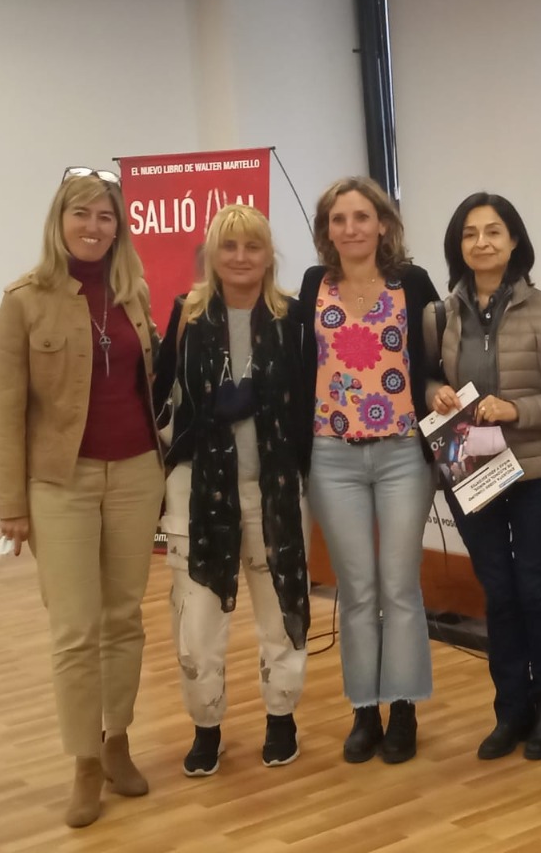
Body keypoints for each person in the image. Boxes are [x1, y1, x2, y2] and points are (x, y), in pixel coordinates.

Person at [0, 167, 165, 827]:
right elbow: (3, 409)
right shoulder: (25, 300)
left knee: (124, 619)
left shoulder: (136, 295)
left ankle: (117, 740)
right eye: (81, 214)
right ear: (59, 221)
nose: (93, 226)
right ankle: (83, 762)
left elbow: (153, 388)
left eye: (106, 216)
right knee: (74, 629)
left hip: (137, 475)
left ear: (120, 228)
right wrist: (12, 504)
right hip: (59, 482)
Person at [425, 192, 541, 762]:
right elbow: (425, 382)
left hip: (536, 473)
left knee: (535, 587)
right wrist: (435, 393)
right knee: (497, 592)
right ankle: (509, 709)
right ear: (458, 246)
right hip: (470, 467)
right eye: (470, 234)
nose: (482, 243)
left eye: (493, 231)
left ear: (514, 240)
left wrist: (514, 410)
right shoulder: (441, 314)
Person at [152, 204, 311, 777]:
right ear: (213, 255)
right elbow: (162, 399)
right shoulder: (186, 315)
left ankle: (281, 719)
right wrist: (200, 420)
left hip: (273, 492)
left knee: (279, 615)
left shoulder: (293, 317)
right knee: (197, 625)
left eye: (253, 247)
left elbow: (309, 403)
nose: (241, 258)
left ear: (269, 254)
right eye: (229, 247)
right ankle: (207, 727)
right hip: (199, 493)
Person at [298, 176, 439, 764]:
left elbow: (433, 364)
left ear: (383, 223)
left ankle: (403, 708)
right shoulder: (313, 285)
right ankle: (364, 710)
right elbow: (298, 368)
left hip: (404, 451)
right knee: (356, 589)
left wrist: (441, 391)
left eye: (362, 217)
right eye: (339, 219)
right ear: (327, 230)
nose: (351, 228)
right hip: (332, 455)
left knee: (399, 585)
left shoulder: (414, 283)